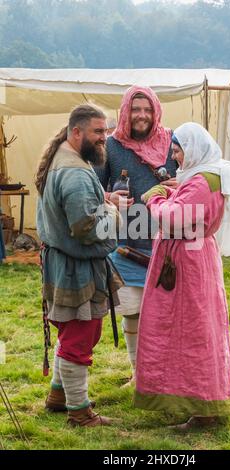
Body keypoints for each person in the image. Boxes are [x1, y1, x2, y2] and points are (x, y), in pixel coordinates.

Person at [134, 122, 230, 429]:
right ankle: (191, 399)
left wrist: (154, 199)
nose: (175, 157)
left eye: (178, 150)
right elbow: (186, 197)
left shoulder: (202, 183)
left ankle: (203, 409)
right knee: (186, 329)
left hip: (187, 262)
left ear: (192, 148)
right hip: (192, 257)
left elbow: (176, 216)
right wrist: (171, 189)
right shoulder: (206, 175)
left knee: (192, 331)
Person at [36, 104, 123, 428]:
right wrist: (113, 212)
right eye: (98, 132)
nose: (104, 139)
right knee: (80, 335)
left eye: (105, 131)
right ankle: (80, 413)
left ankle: (59, 395)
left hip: (63, 262)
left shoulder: (64, 157)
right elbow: (86, 227)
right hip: (75, 266)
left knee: (73, 331)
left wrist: (104, 202)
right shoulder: (73, 172)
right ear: (77, 132)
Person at [97, 86, 178, 386]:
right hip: (126, 244)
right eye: (136, 109)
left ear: (155, 111)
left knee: (165, 314)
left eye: (147, 109)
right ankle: (139, 374)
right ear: (125, 112)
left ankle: (164, 374)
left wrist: (181, 183)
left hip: (168, 241)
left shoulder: (172, 142)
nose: (141, 115)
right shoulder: (112, 146)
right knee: (132, 311)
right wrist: (109, 198)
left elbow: (197, 176)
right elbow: (94, 187)